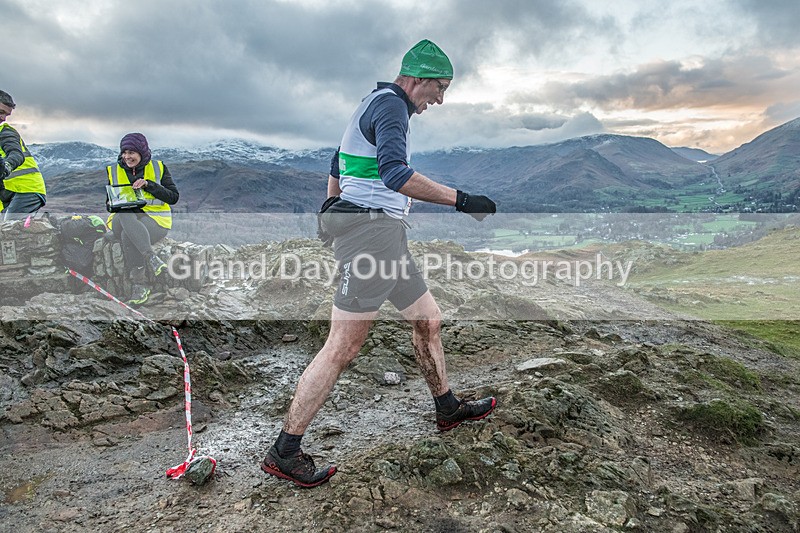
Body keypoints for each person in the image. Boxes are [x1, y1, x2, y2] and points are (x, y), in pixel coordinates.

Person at [261, 39, 498, 488]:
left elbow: (337, 160)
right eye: (439, 87)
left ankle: (447, 408)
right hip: (371, 239)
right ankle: (284, 451)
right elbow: (395, 174)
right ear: (416, 78)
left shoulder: (374, 102)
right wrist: (462, 200)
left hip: (383, 237)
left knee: (428, 319)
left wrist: (330, 209)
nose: (441, 99)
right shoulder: (391, 107)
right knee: (342, 347)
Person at [106, 133, 178, 305]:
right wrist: (116, 203)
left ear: (141, 151)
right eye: (124, 152)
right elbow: (108, 204)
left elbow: (173, 197)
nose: (127, 156)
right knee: (125, 214)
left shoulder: (158, 167)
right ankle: (150, 257)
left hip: (154, 221)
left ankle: (140, 286)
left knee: (127, 236)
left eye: (131, 152)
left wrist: (149, 185)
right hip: (121, 219)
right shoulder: (113, 170)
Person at [0, 90, 46, 219]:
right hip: (8, 192)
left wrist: (7, 166)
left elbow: (16, 154)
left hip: (26, 190)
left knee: (9, 228)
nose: (3, 119)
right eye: (1, 112)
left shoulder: (5, 132)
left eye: (6, 115)